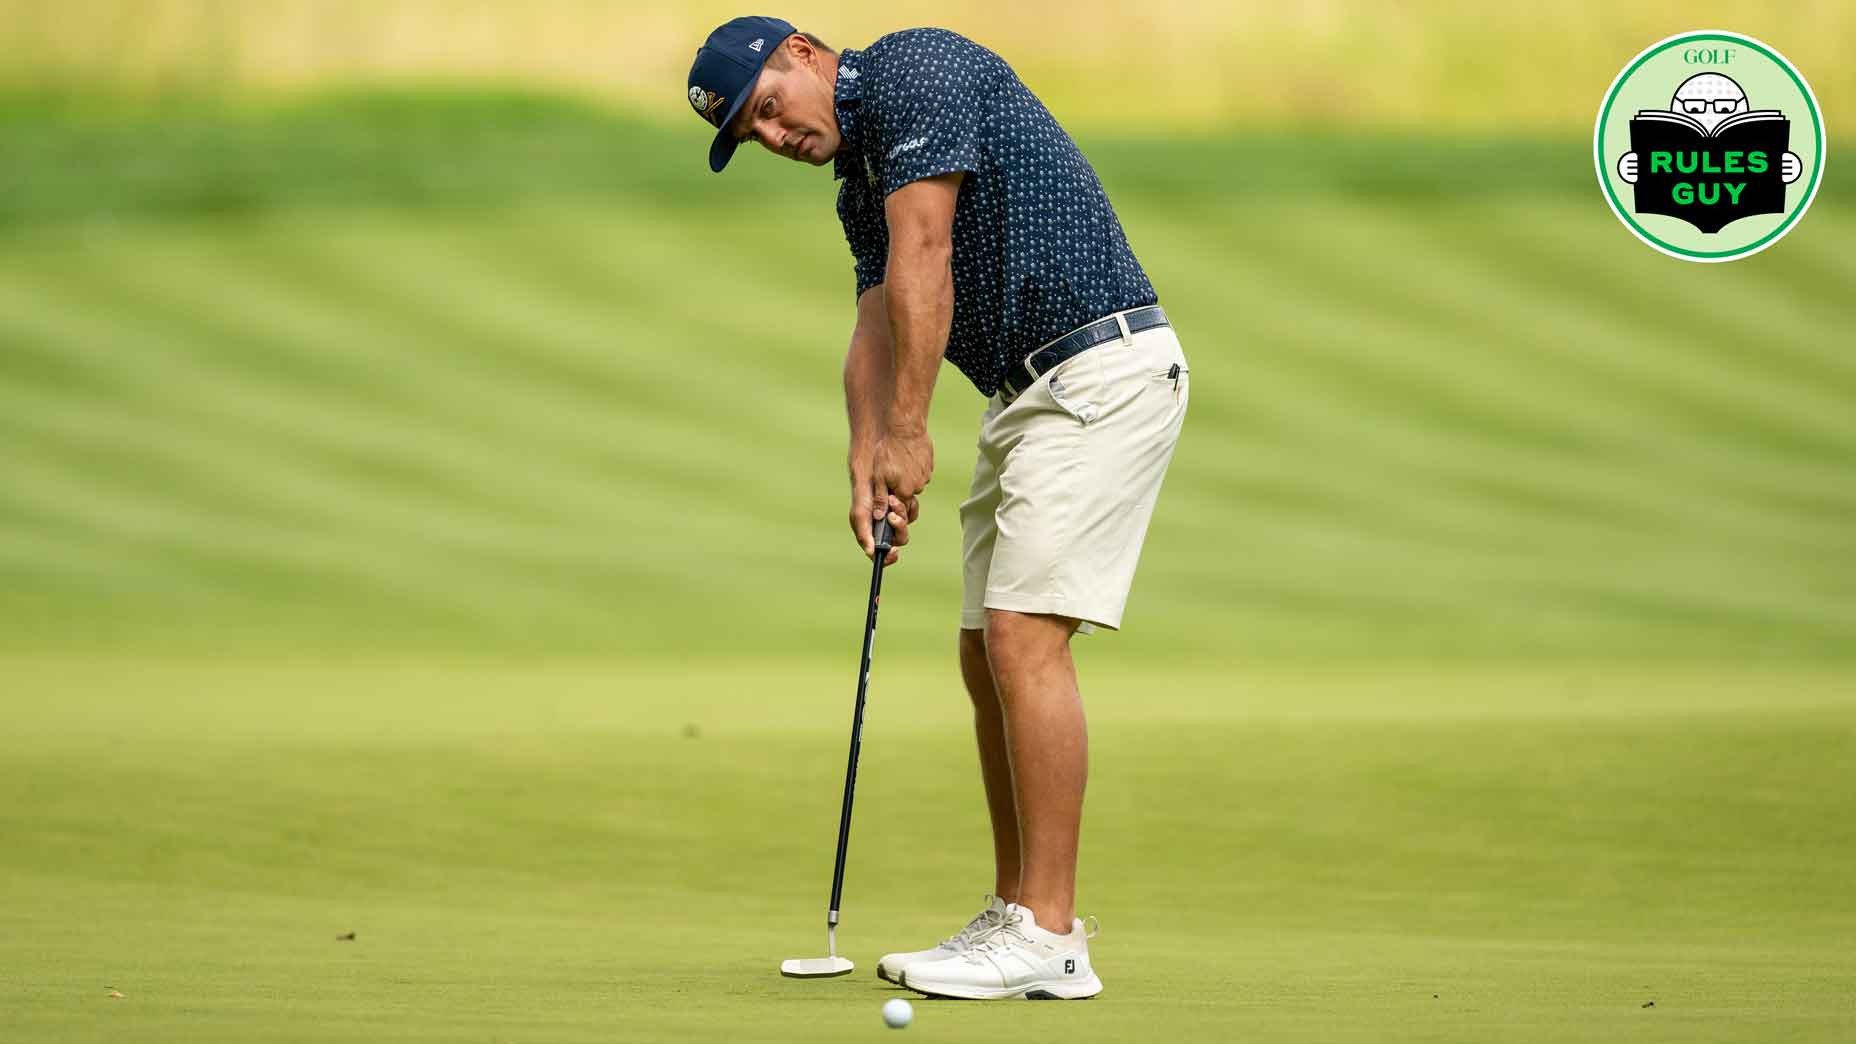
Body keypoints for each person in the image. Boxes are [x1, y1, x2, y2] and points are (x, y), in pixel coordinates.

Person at [687, 16, 1188, 1001]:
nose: (774, 137)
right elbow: (874, 316)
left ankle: (1050, 934)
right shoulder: (857, 178)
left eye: (769, 109)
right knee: (979, 648)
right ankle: (1013, 915)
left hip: (1100, 371)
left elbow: (926, 251)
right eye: (752, 135)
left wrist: (910, 432)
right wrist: (865, 455)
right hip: (1027, 395)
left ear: (801, 52)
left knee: (1020, 638)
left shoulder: (916, 70)